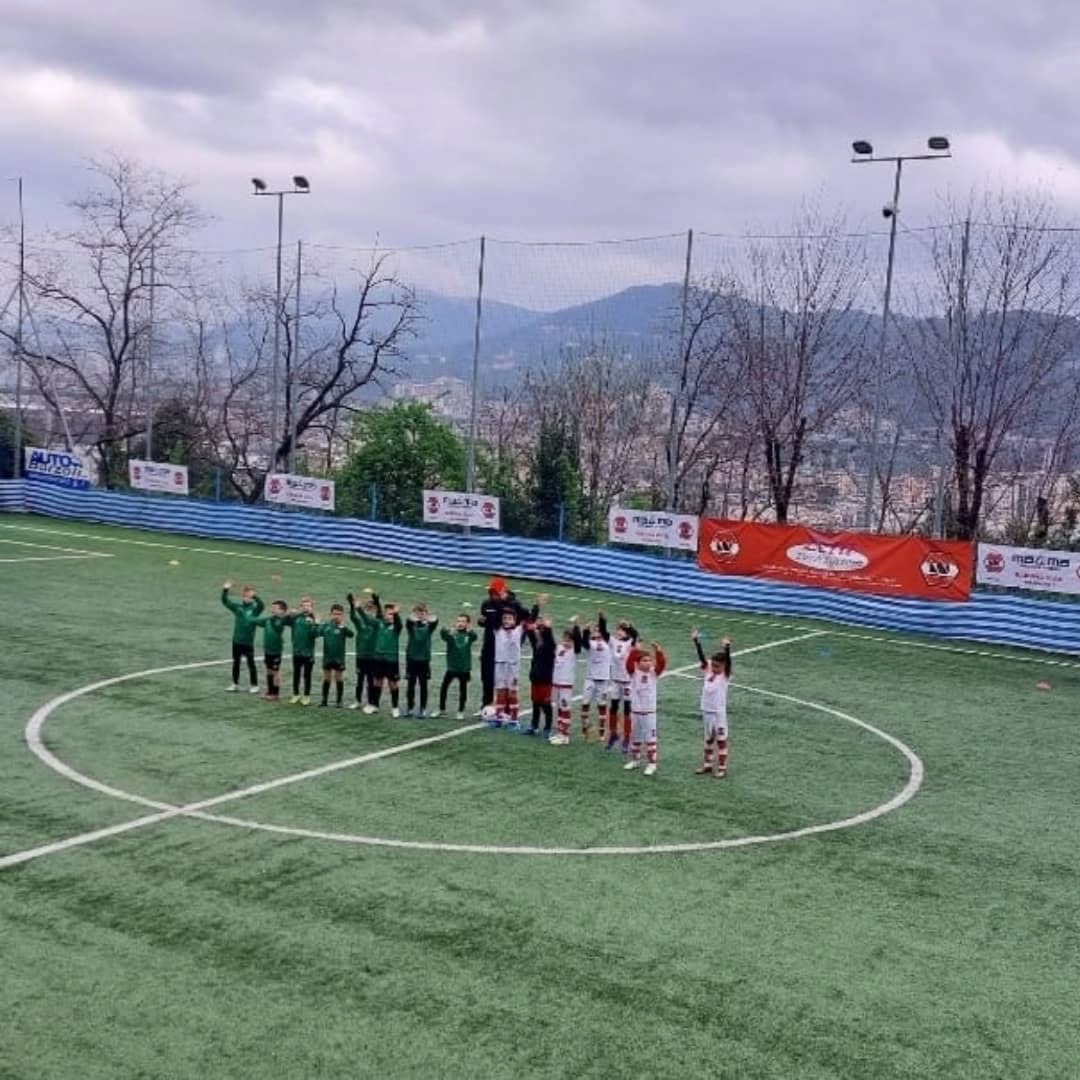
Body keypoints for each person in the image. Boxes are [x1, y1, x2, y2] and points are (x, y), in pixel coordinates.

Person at [477, 577, 530, 714]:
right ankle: (486, 705)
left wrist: (518, 641)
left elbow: (526, 618)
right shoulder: (486, 604)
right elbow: (486, 621)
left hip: (506, 648)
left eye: (496, 592)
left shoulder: (514, 604)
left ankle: (507, 708)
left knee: (506, 679)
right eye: (491, 592)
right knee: (487, 677)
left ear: (503, 591)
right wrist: (481, 622)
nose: (493, 595)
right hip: (489, 645)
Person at [491, 600, 539, 729]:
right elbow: (496, 615)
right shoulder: (497, 630)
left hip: (512, 666)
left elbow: (530, 619)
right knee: (500, 692)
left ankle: (514, 720)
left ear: (515, 620)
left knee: (512, 693)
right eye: (504, 618)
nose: (506, 621)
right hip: (500, 664)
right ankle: (499, 717)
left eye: (509, 618)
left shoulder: (519, 630)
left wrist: (536, 606)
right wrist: (501, 602)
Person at [623, 640, 667, 776]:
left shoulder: (653, 673)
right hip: (636, 711)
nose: (648, 663)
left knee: (650, 740)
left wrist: (658, 651)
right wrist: (635, 650)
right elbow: (628, 664)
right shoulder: (633, 673)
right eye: (644, 660)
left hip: (649, 713)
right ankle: (635, 761)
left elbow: (662, 664)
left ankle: (652, 764)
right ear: (638, 663)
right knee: (635, 738)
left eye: (649, 660)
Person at [693, 630, 732, 778]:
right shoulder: (709, 670)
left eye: (717, 666)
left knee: (721, 740)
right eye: (713, 665)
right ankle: (708, 765)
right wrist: (696, 642)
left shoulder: (725, 675)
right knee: (708, 739)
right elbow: (702, 659)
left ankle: (722, 768)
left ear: (723, 666)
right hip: (706, 710)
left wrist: (726, 648)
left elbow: (728, 662)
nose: (714, 668)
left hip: (718, 713)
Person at [221, 581, 264, 693]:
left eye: (249, 596)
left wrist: (255, 596)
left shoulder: (255, 609)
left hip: (248, 642)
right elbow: (225, 601)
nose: (247, 598)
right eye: (245, 596)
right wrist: (225, 589)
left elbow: (262, 605)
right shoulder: (237, 607)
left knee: (251, 664)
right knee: (236, 663)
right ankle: (235, 684)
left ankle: (254, 685)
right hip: (236, 641)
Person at [434, 614, 477, 720]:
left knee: (463, 689)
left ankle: (461, 711)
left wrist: (470, 631)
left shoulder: (469, 635)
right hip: (452, 667)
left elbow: (474, 636)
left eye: (463, 621)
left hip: (464, 668)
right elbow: (443, 634)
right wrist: (447, 631)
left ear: (467, 624)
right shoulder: (452, 635)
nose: (460, 623)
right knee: (444, 687)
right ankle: (441, 709)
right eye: (458, 621)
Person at [548, 618, 582, 746]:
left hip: (566, 684)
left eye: (569, 639)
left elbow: (578, 641)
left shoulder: (574, 650)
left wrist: (576, 627)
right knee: (559, 708)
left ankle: (565, 735)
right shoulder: (559, 647)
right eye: (565, 638)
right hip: (556, 682)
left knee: (565, 708)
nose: (566, 641)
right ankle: (559, 733)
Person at [606, 619, 639, 752]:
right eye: (618, 630)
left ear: (625, 632)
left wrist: (629, 626)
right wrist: (602, 619)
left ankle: (627, 737)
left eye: (621, 630)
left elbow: (635, 635)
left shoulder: (630, 642)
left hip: (627, 682)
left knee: (627, 710)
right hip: (615, 680)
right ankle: (613, 734)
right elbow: (604, 632)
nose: (618, 632)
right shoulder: (613, 641)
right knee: (613, 707)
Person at [580, 611, 612, 742]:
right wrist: (586, 630)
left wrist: (602, 619)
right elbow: (584, 642)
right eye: (595, 630)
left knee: (602, 705)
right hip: (590, 678)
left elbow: (604, 631)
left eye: (599, 630)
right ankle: (585, 729)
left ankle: (601, 732)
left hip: (603, 679)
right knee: (585, 703)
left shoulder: (608, 642)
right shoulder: (590, 643)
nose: (597, 632)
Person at [370, 593, 404, 717]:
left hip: (391, 660)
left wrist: (396, 614)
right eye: (389, 614)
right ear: (384, 615)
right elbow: (378, 614)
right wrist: (377, 602)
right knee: (377, 682)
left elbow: (399, 623)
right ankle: (375, 706)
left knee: (392, 684)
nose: (390, 616)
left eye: (392, 614)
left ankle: (395, 708)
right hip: (379, 658)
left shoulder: (396, 627)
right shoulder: (380, 623)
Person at [346, 591, 379, 713]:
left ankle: (371, 703)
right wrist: (351, 605)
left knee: (370, 681)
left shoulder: (377, 624)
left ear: (375, 610)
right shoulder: (361, 624)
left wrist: (359, 608)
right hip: (360, 656)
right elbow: (353, 617)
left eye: (371, 608)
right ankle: (357, 701)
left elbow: (366, 617)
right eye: (367, 608)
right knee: (360, 680)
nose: (369, 610)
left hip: (372, 657)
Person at [524, 614, 556, 737]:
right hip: (535, 678)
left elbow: (548, 637)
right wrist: (532, 622)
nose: (537, 633)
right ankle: (534, 725)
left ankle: (547, 727)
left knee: (546, 704)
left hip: (545, 680)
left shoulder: (550, 646)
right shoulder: (536, 645)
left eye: (539, 631)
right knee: (535, 703)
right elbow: (530, 631)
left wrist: (547, 627)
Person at [404, 604, 438, 717]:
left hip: (424, 660)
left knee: (423, 686)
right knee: (411, 685)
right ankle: (410, 708)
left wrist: (426, 617)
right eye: (417, 612)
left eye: (422, 612)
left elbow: (435, 620)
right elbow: (408, 621)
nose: (420, 615)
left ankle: (423, 708)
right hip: (412, 660)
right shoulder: (411, 626)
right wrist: (417, 618)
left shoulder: (429, 627)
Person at [251, 600, 289, 701]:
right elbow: (257, 621)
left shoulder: (280, 621)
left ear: (282, 610)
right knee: (269, 671)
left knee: (275, 672)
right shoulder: (269, 619)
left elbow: (277, 625)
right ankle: (269, 692)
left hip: (276, 650)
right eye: (272, 607)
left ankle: (275, 694)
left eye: (275, 608)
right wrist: (249, 618)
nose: (272, 609)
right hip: (267, 650)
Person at [317, 603, 354, 707]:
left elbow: (351, 635)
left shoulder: (343, 627)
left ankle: (339, 701)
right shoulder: (326, 625)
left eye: (339, 614)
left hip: (339, 658)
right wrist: (317, 624)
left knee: (339, 678)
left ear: (342, 615)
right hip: (327, 657)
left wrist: (343, 627)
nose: (336, 616)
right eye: (335, 614)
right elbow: (318, 632)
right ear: (331, 614)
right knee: (326, 678)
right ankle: (324, 700)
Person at [285, 596, 319, 705]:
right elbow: (284, 621)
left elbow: (316, 634)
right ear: (301, 607)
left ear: (312, 607)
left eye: (308, 605)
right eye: (303, 605)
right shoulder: (296, 618)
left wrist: (316, 623)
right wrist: (288, 614)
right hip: (297, 652)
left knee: (307, 676)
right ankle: (296, 694)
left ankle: (306, 696)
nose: (305, 607)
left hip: (308, 653)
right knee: (296, 674)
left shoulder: (314, 619)